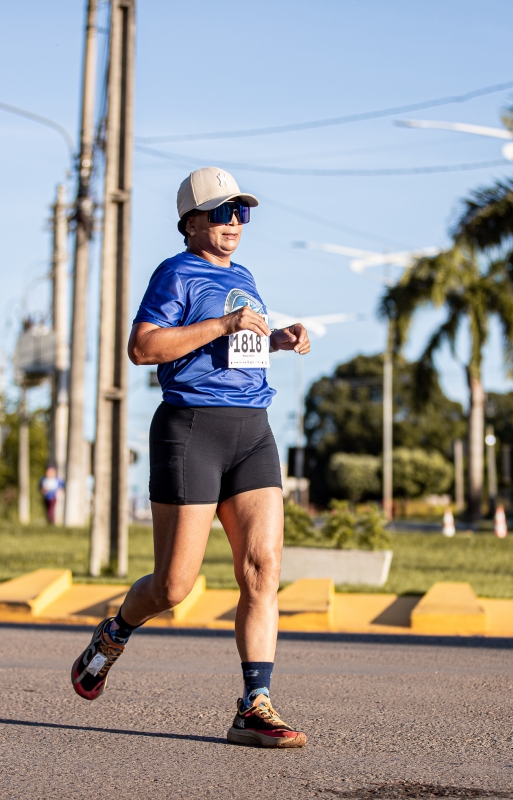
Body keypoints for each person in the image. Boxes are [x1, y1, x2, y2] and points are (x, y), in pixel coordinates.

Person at [70, 167, 311, 748]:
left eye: (241, 213)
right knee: (174, 587)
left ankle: (255, 705)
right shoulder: (174, 273)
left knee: (263, 569)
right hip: (192, 429)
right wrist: (224, 322)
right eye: (223, 213)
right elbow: (143, 347)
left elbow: (235, 346)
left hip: (253, 430)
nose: (235, 223)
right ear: (191, 222)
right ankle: (114, 632)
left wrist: (276, 339)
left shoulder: (244, 276)